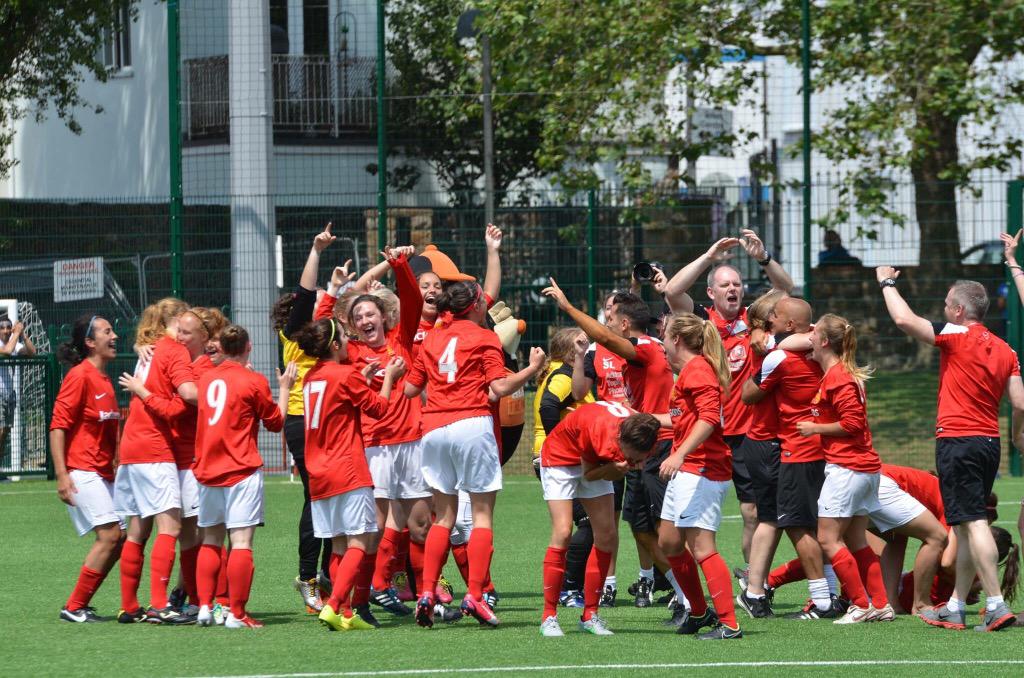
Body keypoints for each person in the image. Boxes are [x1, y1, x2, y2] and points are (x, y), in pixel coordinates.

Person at [877, 267, 1024, 632]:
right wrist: (1017, 436)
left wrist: (887, 282)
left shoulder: (955, 334)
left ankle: (994, 604)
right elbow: (1019, 402)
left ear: (959, 311)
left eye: (946, 304)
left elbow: (902, 319)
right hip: (989, 443)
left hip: (958, 440)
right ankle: (956, 605)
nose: (943, 309)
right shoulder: (1006, 349)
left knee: (973, 523)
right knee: (961, 527)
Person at [542, 281, 690, 620]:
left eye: (610, 317)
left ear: (624, 324)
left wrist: (567, 307)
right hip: (626, 445)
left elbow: (609, 339)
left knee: (666, 532)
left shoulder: (647, 349)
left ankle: (688, 598)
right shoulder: (613, 354)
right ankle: (673, 593)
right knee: (639, 527)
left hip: (653, 447)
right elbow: (581, 391)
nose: (605, 323)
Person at [404, 280, 545, 628]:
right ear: (477, 306)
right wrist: (532, 369)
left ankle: (426, 592)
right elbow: (499, 387)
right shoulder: (485, 338)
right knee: (481, 517)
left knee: (444, 517)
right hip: (471, 423)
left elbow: (410, 388)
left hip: (434, 428)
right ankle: (476, 597)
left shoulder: (433, 338)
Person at [663, 230, 795, 577]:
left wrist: (763, 258)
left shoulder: (753, 320)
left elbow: (786, 291)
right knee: (696, 519)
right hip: (707, 434)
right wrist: (709, 256)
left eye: (736, 284)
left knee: (753, 513)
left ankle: (754, 580)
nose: (733, 289)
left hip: (748, 434)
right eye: (724, 285)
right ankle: (696, 584)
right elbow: (672, 291)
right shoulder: (700, 325)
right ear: (711, 292)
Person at [294, 317, 406, 631]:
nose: (348, 339)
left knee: (340, 544)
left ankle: (344, 613)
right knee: (360, 540)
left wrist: (363, 376)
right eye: (344, 335)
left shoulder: (311, 377)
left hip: (319, 472)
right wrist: (389, 378)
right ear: (333, 344)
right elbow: (380, 410)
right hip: (347, 469)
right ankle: (333, 606)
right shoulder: (345, 375)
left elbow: (340, 399)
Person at [119, 307, 227, 612]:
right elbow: (181, 402)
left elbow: (190, 395)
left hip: (185, 457)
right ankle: (172, 603)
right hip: (163, 453)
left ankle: (198, 599)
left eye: (187, 331)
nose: (180, 335)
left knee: (195, 531)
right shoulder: (171, 354)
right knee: (181, 531)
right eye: (179, 327)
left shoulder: (195, 362)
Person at [740, 297, 838, 620]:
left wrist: (765, 350)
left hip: (781, 444)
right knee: (785, 519)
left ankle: (761, 592)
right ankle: (759, 590)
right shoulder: (826, 351)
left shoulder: (779, 356)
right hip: (812, 447)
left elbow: (747, 396)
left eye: (776, 316)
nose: (771, 318)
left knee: (784, 521)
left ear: (790, 325)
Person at [191, 325, 294, 628]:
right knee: (241, 542)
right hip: (241, 469)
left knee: (210, 540)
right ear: (249, 347)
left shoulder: (207, 378)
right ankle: (236, 613)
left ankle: (205, 607)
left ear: (220, 348)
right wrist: (285, 388)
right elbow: (275, 423)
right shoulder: (253, 381)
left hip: (208, 470)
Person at [795, 314, 894, 624]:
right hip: (862, 469)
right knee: (856, 540)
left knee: (827, 539)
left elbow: (853, 423)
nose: (808, 337)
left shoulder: (838, 376)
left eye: (814, 333)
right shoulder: (838, 373)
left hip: (848, 469)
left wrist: (815, 428)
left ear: (825, 342)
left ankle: (861, 605)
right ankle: (880, 603)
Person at [271, 224, 347, 613]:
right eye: (316, 299)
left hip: (328, 420)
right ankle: (308, 577)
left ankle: (327, 575)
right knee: (315, 497)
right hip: (303, 420)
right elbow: (305, 294)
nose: (322, 301)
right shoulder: (296, 334)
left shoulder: (323, 337)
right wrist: (316, 250)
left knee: (328, 496)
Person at [539, 402, 660, 637]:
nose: (638, 464)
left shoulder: (643, 430)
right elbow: (590, 474)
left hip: (598, 458)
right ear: (622, 441)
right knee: (563, 532)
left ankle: (590, 614)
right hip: (562, 459)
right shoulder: (600, 433)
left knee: (607, 536)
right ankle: (548, 616)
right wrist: (617, 469)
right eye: (634, 459)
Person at [657, 312, 742, 640]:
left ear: (676, 339)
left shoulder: (698, 370)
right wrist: (644, 418)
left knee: (703, 548)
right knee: (668, 542)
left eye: (664, 337)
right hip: (687, 469)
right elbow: (683, 420)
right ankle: (698, 611)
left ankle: (730, 624)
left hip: (703, 469)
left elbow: (709, 419)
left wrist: (678, 454)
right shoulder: (687, 373)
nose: (662, 343)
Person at [114, 297, 198, 624]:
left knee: (138, 529)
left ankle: (129, 605)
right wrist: (226, 392)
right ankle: (160, 605)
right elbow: (188, 394)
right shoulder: (172, 349)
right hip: (153, 447)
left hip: (131, 448)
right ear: (177, 319)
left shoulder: (147, 351)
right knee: (171, 525)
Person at [50, 314, 123, 622]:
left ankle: (79, 604)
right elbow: (57, 427)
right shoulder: (79, 376)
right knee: (109, 536)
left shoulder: (104, 378)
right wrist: (63, 476)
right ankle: (74, 606)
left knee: (117, 538)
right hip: (81, 470)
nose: (115, 335)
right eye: (107, 331)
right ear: (91, 342)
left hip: (102, 472)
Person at [533, 328, 595, 608]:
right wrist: (560, 444)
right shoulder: (563, 375)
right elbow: (549, 407)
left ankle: (571, 587)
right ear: (569, 350)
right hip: (559, 459)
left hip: (560, 458)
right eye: (582, 342)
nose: (588, 344)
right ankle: (569, 588)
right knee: (586, 524)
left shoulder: (568, 372)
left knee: (586, 524)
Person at [0, 316, 37, 459]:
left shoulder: (15, 342)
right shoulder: (8, 345)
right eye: (2, 327)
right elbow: (8, 351)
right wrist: (16, 334)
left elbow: (32, 353)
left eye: (9, 327)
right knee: (1, 430)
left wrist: (23, 334)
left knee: (5, 433)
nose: (6, 330)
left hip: (9, 395)